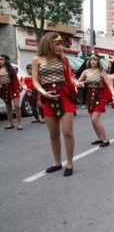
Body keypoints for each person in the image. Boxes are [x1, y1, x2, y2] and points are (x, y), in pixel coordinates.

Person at [31, 32, 78, 176]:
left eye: (61, 44)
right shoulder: (37, 60)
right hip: (48, 96)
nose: (60, 47)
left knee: (68, 132)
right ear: (48, 44)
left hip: (64, 96)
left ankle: (69, 164)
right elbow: (35, 80)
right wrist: (42, 92)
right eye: (57, 44)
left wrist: (76, 83)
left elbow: (68, 78)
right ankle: (57, 162)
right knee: (53, 133)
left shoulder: (63, 59)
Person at [76, 53, 114, 147]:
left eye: (95, 59)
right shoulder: (85, 71)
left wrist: (113, 93)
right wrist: (79, 84)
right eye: (91, 59)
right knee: (92, 120)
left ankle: (105, 139)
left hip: (99, 96)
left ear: (98, 61)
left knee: (95, 118)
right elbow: (78, 82)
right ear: (89, 61)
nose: (93, 61)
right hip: (89, 96)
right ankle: (100, 138)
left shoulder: (102, 72)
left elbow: (109, 85)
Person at [0, 54, 22, 130]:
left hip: (13, 88)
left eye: (2, 59)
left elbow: (16, 80)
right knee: (8, 106)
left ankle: (19, 123)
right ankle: (11, 123)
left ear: (6, 60)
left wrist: (19, 87)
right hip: (4, 89)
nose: (0, 61)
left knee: (17, 106)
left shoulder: (11, 69)